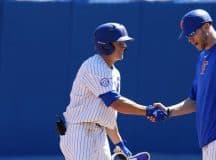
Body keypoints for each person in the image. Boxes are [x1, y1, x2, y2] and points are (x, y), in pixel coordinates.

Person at [150, 9, 216, 160]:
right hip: (210, 137)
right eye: (187, 36)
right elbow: (194, 101)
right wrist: (168, 111)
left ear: (206, 27)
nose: (190, 39)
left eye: (192, 33)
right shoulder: (203, 56)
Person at [59, 22, 167, 160]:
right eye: (120, 43)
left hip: (99, 132)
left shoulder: (114, 72)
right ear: (106, 45)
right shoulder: (95, 66)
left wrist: (119, 143)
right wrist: (148, 110)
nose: (125, 46)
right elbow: (115, 103)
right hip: (80, 132)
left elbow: (108, 114)